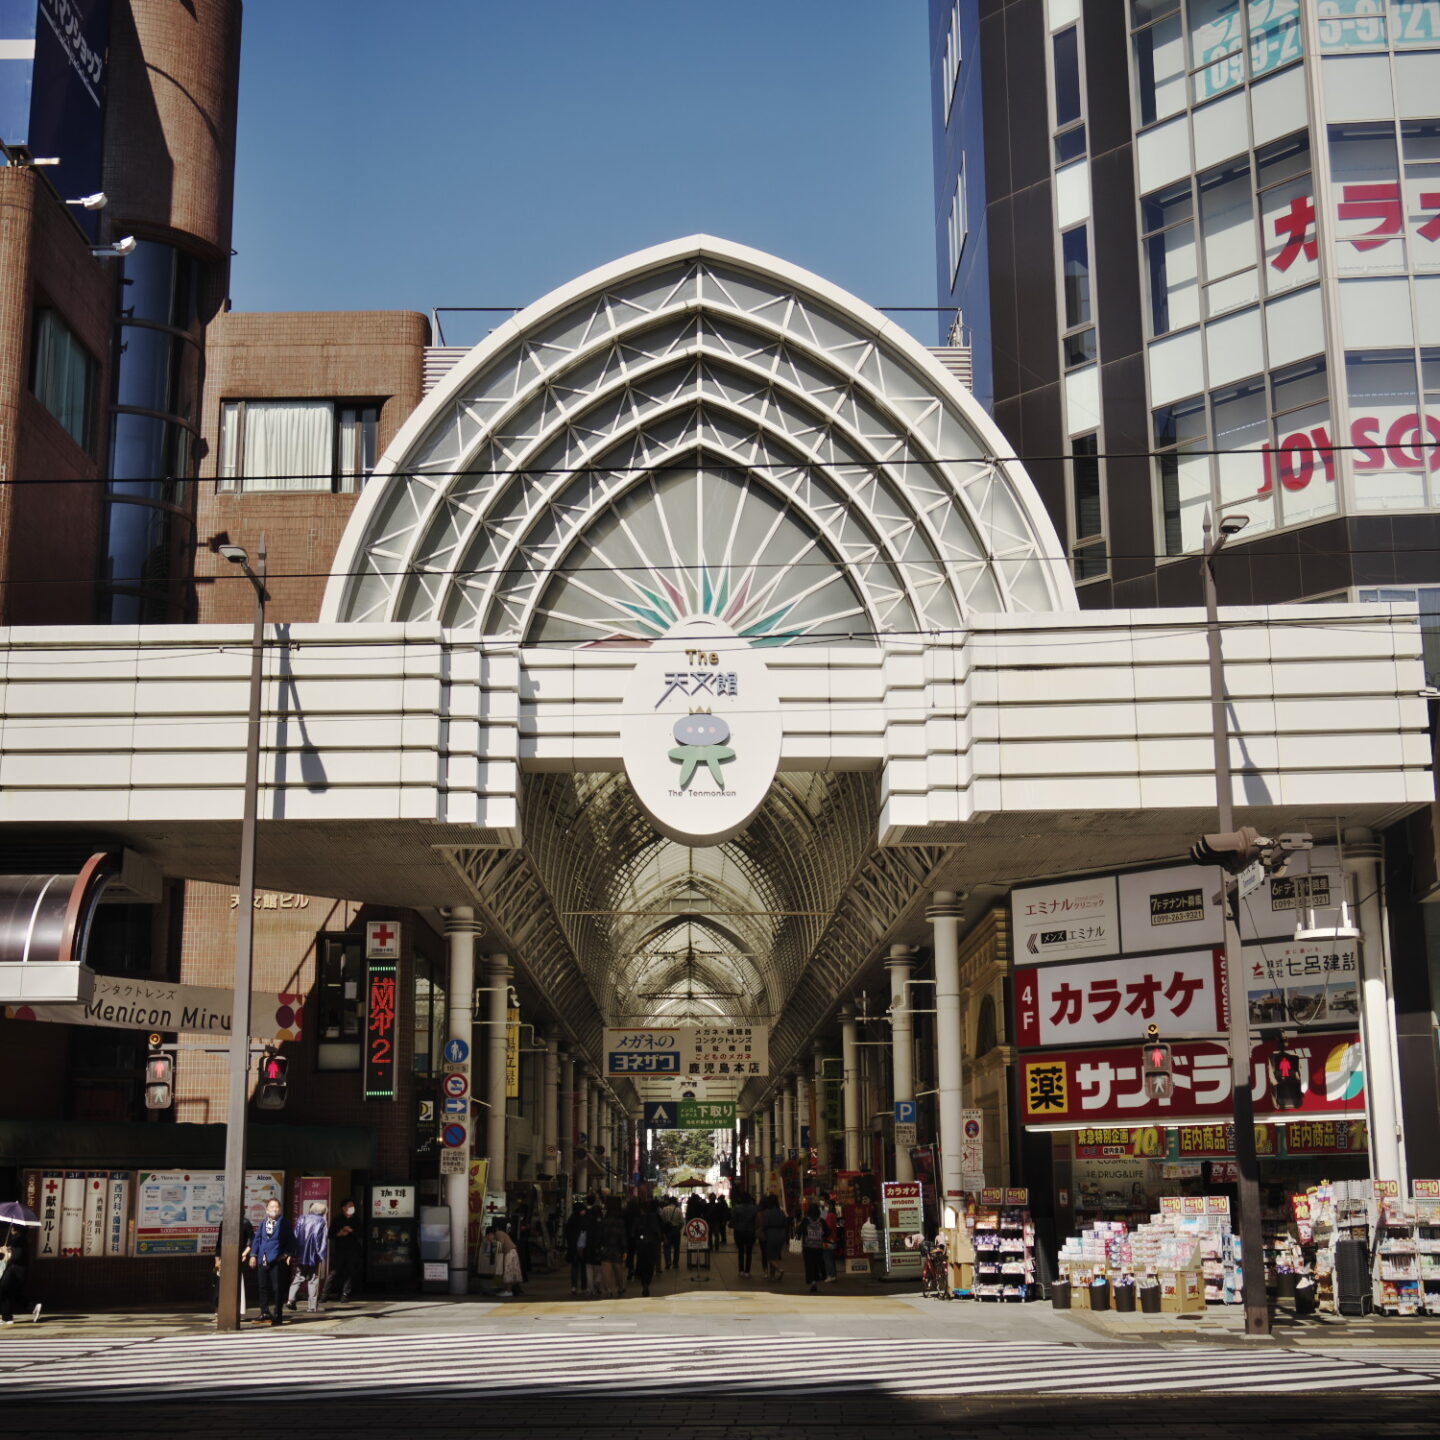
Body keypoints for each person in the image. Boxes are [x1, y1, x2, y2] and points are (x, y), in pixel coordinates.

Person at [250, 1198, 292, 1325]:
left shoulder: (284, 1223)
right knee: (262, 1287)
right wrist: (253, 1255)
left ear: (280, 1209)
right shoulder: (263, 1223)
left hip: (277, 1260)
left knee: (277, 1288)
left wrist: (286, 1254)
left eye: (276, 1207)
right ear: (267, 1210)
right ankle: (264, 1312)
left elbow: (291, 1240)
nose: (274, 1209)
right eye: (271, 1207)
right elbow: (257, 1240)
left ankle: (278, 1314)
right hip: (262, 1259)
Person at [288, 1200, 329, 1313]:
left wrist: (294, 1251)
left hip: (301, 1253)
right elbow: (322, 1240)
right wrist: (321, 1254)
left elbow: (296, 1234)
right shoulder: (322, 1221)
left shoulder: (302, 1218)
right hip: (313, 1255)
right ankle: (312, 1306)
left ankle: (290, 1299)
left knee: (298, 1276)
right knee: (313, 1279)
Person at [212, 1215, 255, 1317]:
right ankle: (218, 1310)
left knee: (237, 1284)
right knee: (220, 1285)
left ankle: (237, 1311)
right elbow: (219, 1242)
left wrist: (244, 1253)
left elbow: (253, 1241)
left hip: (239, 1258)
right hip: (224, 1258)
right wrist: (217, 1259)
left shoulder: (245, 1223)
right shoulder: (224, 1223)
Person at [0, 1225, 38, 1325]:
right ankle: (32, 1307)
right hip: (18, 1271)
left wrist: (5, 1252)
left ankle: (7, 1317)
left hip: (14, 1271)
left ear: (16, 1229)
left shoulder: (18, 1239)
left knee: (3, 1290)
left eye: (12, 1227)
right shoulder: (22, 1239)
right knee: (13, 1293)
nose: (11, 1229)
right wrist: (9, 1249)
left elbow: (16, 1257)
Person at [326, 1198, 362, 1302]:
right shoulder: (337, 1219)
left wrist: (351, 1230)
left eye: (353, 1206)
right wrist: (340, 1233)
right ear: (344, 1208)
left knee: (350, 1272)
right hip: (339, 1249)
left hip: (353, 1250)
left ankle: (345, 1294)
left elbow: (361, 1234)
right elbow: (330, 1234)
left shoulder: (356, 1220)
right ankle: (324, 1294)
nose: (352, 1208)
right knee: (334, 1272)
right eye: (350, 1206)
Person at [629, 1199, 663, 1297]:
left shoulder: (637, 1218)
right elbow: (658, 1231)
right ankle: (647, 1282)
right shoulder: (654, 1217)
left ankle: (644, 1282)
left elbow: (633, 1233)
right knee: (650, 1265)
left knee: (642, 1264)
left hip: (641, 1245)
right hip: (652, 1245)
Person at [598, 1197, 628, 1298]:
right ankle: (620, 1287)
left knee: (606, 1270)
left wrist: (599, 1246)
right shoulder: (620, 1220)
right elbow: (622, 1236)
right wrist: (624, 1250)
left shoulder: (604, 1220)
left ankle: (608, 1289)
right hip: (617, 1249)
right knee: (618, 1269)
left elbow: (600, 1235)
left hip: (606, 1248)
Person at [759, 1193, 789, 1281]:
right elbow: (785, 1224)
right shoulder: (781, 1212)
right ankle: (772, 1276)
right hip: (781, 1234)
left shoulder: (768, 1213)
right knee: (775, 1256)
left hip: (772, 1234)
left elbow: (765, 1224)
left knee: (769, 1256)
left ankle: (779, 1269)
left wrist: (761, 1231)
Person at [799, 1201, 828, 1294]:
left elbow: (799, 1231)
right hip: (818, 1247)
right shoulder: (821, 1221)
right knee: (817, 1264)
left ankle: (812, 1282)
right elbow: (828, 1232)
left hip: (808, 1247)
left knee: (809, 1265)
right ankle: (817, 1279)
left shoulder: (805, 1221)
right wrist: (822, 1237)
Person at [489, 1222, 524, 1296]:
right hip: (510, 1253)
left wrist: (495, 1249)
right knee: (508, 1271)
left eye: (488, 1237)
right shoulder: (500, 1234)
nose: (489, 1239)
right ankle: (507, 1290)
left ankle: (508, 1291)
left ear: (490, 1234)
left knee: (509, 1271)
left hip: (510, 1253)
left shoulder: (498, 1233)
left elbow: (501, 1244)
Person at [729, 1190, 757, 1277]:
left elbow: (733, 1220)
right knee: (749, 1252)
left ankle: (741, 1270)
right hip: (750, 1231)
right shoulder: (754, 1208)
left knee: (741, 1251)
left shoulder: (736, 1208)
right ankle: (747, 1271)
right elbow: (756, 1220)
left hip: (739, 1231)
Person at [563, 1199, 589, 1295]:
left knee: (575, 1267)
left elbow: (567, 1234)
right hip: (582, 1247)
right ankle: (583, 1287)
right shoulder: (584, 1220)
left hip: (574, 1248)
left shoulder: (571, 1220)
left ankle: (574, 1286)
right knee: (582, 1268)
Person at [659, 1194, 683, 1270]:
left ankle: (668, 1262)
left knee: (666, 1247)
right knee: (676, 1248)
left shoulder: (664, 1209)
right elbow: (682, 1222)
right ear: (675, 1202)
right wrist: (679, 1228)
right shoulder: (678, 1210)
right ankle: (675, 1263)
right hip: (676, 1230)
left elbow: (661, 1220)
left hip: (667, 1231)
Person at [822, 1195, 841, 1283]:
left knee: (827, 1258)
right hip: (834, 1239)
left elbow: (828, 1228)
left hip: (828, 1240)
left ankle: (830, 1275)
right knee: (832, 1258)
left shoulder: (829, 1215)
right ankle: (834, 1275)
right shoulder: (834, 1215)